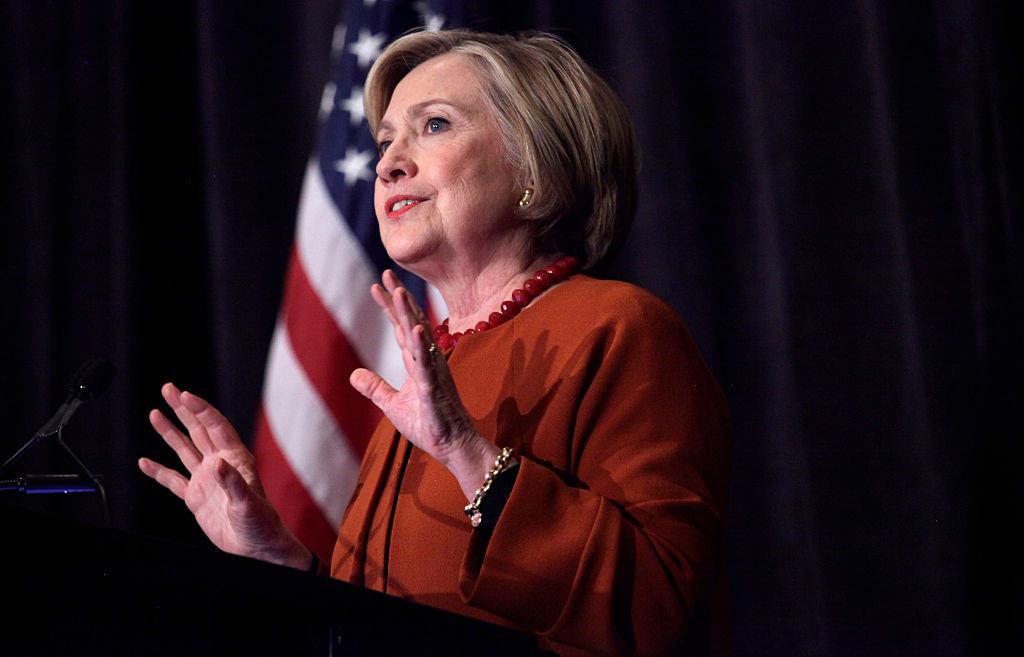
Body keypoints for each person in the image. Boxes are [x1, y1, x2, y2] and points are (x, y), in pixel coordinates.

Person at [139, 30, 731, 657]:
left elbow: (662, 611)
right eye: (386, 141)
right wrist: (280, 560)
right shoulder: (432, 370)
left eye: (435, 125)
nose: (388, 162)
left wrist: (470, 458)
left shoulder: (618, 328)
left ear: (534, 164)